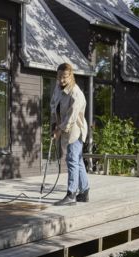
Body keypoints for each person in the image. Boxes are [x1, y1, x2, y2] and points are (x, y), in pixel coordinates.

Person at [50, 63, 89, 205]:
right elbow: (54, 105)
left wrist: (59, 130)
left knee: (72, 160)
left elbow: (71, 118)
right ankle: (84, 192)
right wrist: (54, 125)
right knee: (77, 161)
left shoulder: (76, 93)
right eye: (59, 77)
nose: (61, 80)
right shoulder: (57, 88)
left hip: (76, 130)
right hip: (64, 127)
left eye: (64, 77)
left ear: (70, 76)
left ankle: (71, 194)